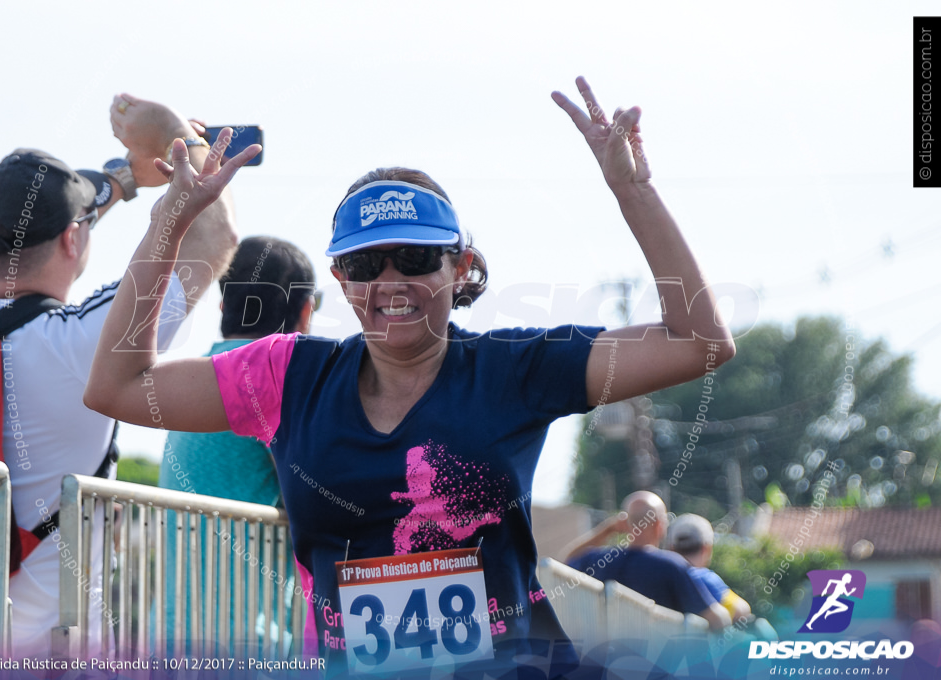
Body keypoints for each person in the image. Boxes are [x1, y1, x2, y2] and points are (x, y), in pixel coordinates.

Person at [84, 76, 737, 677]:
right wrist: (168, 222)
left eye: (417, 258)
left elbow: (701, 342)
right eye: (367, 264)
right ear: (340, 278)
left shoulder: (513, 371)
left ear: (460, 267)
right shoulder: (287, 375)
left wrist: (634, 191)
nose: (391, 282)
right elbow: (116, 388)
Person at [0, 94, 240, 660]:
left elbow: (26, 237)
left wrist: (119, 180)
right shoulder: (77, 343)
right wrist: (176, 139)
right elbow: (213, 242)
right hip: (42, 656)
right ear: (73, 239)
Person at [158, 236, 317, 649]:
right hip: (248, 640)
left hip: (172, 633)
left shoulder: (195, 377)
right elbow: (324, 495)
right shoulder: (273, 379)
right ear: (305, 311)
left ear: (222, 305)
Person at [562, 491, 731, 632]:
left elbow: (568, 560)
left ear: (625, 524)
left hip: (603, 661)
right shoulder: (671, 565)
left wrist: (608, 530)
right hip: (660, 666)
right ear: (659, 525)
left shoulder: (598, 559)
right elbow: (718, 620)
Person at [667, 513, 752, 625]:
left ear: (672, 548)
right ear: (706, 548)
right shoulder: (704, 577)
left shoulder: (662, 575)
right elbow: (741, 610)